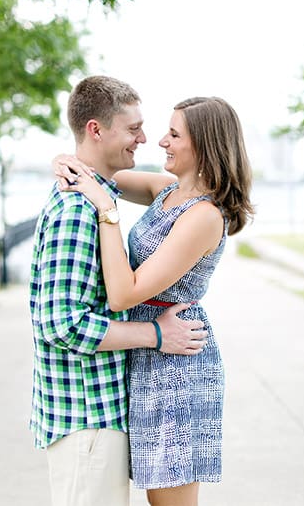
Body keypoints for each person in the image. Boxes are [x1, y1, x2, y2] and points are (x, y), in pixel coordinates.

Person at [53, 95, 254, 505]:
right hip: (150, 349)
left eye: (174, 134)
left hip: (177, 363)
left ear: (204, 145)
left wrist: (108, 211)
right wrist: (61, 161)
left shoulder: (204, 216)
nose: (160, 141)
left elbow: (123, 292)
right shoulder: (167, 191)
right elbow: (96, 174)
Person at [29, 75, 209, 506]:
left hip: (101, 407)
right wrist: (158, 336)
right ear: (96, 129)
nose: (147, 140)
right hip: (86, 415)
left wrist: (78, 168)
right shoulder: (80, 210)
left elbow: (163, 194)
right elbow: (63, 324)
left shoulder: (99, 196)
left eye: (165, 132)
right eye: (133, 129)